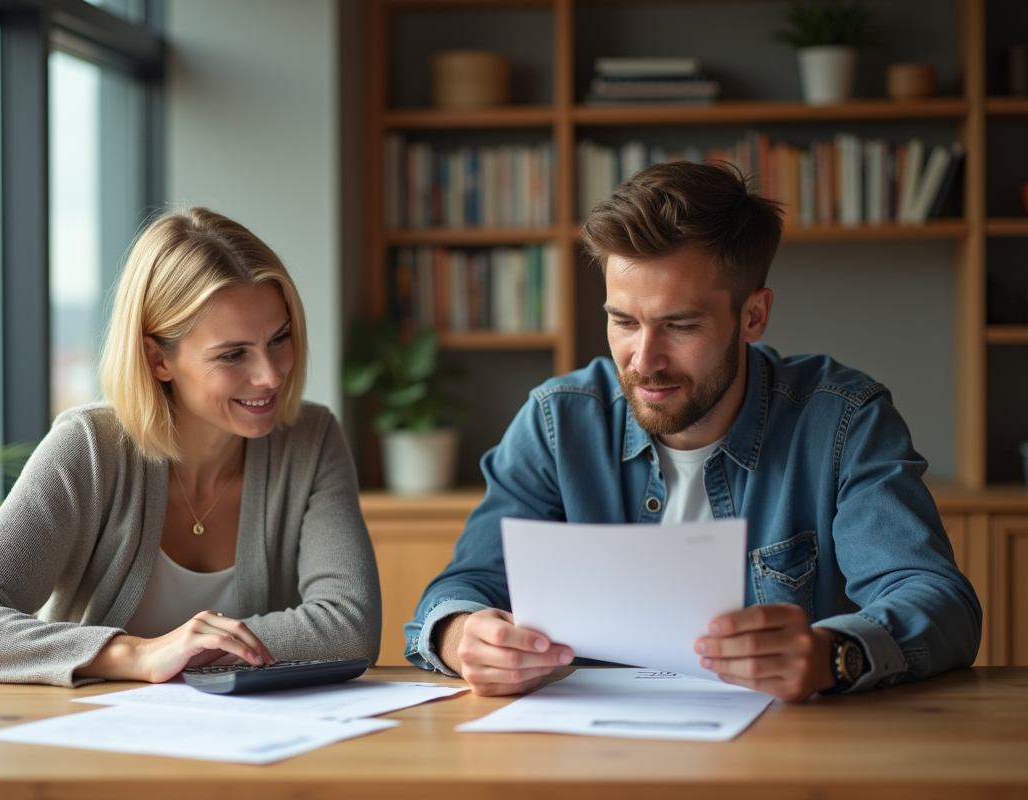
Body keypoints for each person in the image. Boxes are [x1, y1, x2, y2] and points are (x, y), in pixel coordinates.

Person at [405, 161, 981, 702]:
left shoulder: (842, 421)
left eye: (679, 326)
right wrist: (462, 637)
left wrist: (833, 655)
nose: (643, 360)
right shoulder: (558, 422)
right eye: (623, 322)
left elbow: (937, 599)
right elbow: (465, 585)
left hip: (785, 754)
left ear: (753, 316)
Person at [0, 208, 380, 686]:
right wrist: (136, 654)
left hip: (253, 748)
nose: (271, 374)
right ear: (158, 359)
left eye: (279, 339)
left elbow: (350, 627)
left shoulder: (312, 438)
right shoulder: (90, 449)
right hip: (98, 744)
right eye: (233, 354)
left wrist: (194, 651)